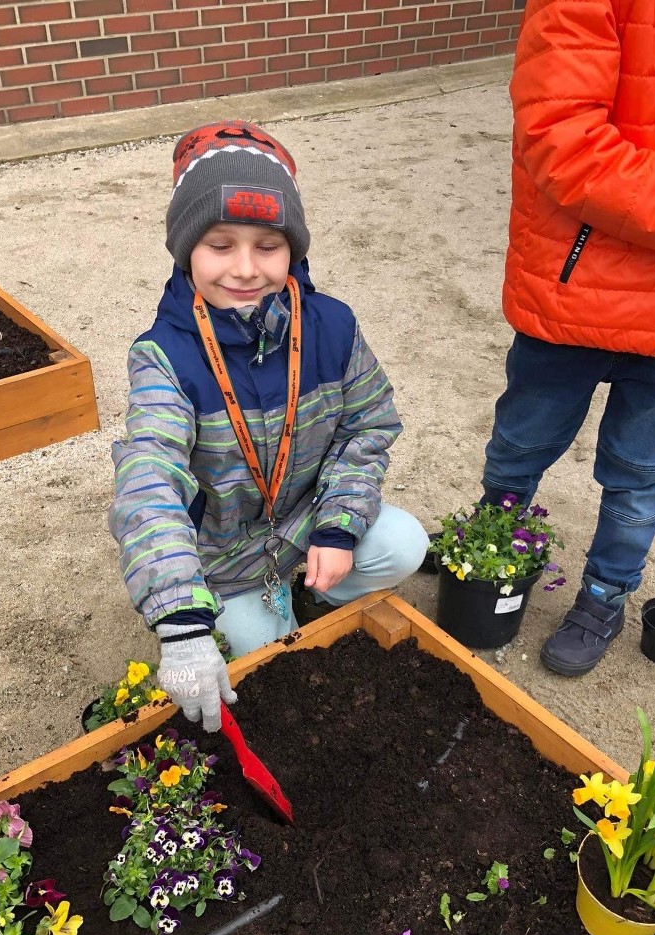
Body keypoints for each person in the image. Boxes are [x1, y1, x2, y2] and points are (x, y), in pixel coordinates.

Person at [110, 121, 427, 730]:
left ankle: (316, 587)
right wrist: (179, 624)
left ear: (294, 250)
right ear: (186, 251)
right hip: (225, 557)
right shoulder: (164, 356)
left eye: (269, 245)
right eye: (221, 244)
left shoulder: (332, 328)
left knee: (403, 544)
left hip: (307, 525)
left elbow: (369, 427)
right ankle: (260, 607)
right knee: (261, 652)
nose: (247, 268)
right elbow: (148, 482)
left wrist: (336, 529)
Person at [479, 0, 655, 677]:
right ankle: (491, 551)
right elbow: (562, 141)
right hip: (576, 293)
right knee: (520, 449)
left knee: (638, 477)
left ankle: (604, 595)